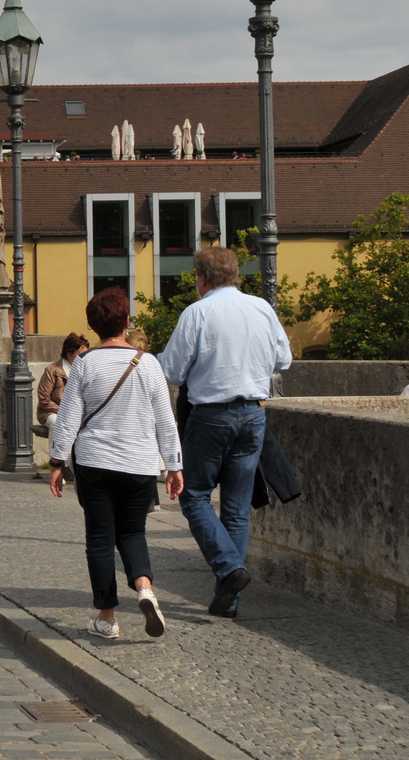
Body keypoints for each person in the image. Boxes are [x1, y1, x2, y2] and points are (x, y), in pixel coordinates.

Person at [159, 246, 292, 619]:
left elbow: (172, 371)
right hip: (254, 414)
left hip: (211, 416)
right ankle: (228, 600)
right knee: (236, 508)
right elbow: (284, 360)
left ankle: (229, 569)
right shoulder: (262, 308)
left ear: (202, 278)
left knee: (195, 497)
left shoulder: (198, 312)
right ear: (236, 275)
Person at [49, 286, 184, 640]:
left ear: (93, 327)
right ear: (126, 321)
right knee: (133, 531)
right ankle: (144, 588)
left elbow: (68, 417)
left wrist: (57, 460)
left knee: (100, 537)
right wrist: (174, 465)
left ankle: (107, 618)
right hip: (140, 464)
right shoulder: (149, 363)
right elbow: (164, 420)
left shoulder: (85, 363)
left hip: (95, 462)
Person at [37, 333, 91, 437]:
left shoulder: (87, 371)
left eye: (86, 355)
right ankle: (56, 453)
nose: (84, 358)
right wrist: (65, 410)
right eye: (80, 355)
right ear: (69, 354)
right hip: (52, 412)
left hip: (78, 413)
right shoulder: (52, 370)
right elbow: (44, 399)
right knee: (57, 423)